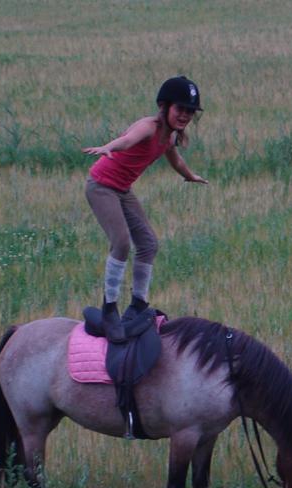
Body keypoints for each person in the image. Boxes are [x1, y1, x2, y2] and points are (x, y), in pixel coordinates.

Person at [82, 76, 207, 328]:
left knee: (148, 243)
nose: (184, 116)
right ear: (165, 106)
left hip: (122, 190)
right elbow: (127, 140)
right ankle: (109, 310)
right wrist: (108, 147)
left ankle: (138, 305)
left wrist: (190, 176)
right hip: (101, 187)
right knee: (121, 243)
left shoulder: (169, 137)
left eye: (190, 112)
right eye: (180, 109)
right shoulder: (149, 127)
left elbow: (176, 161)